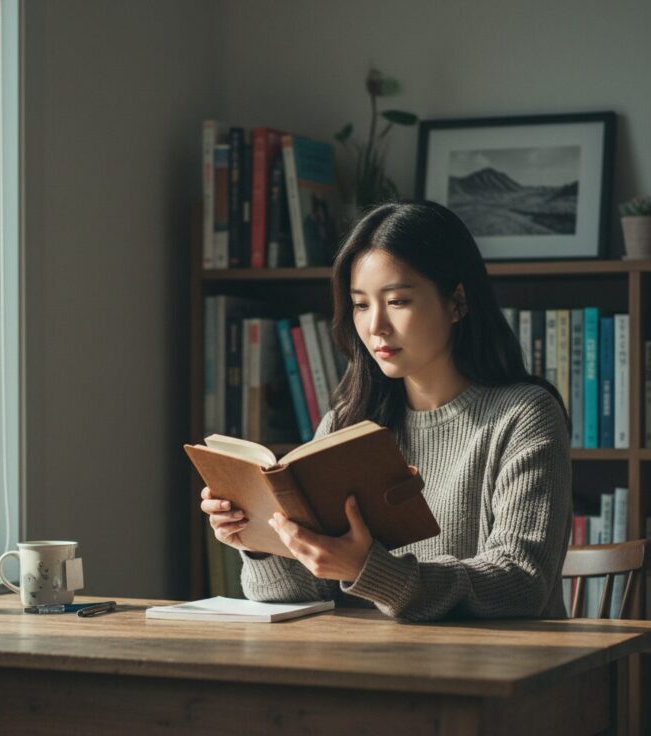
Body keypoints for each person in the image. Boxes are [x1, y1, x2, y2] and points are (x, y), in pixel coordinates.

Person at [200, 200, 573, 621]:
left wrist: (371, 571)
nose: (375, 325)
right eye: (360, 304)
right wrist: (256, 540)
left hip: (491, 670)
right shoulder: (349, 420)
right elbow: (301, 592)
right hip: (366, 666)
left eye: (397, 301)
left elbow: (522, 582)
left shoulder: (524, 415)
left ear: (457, 302)